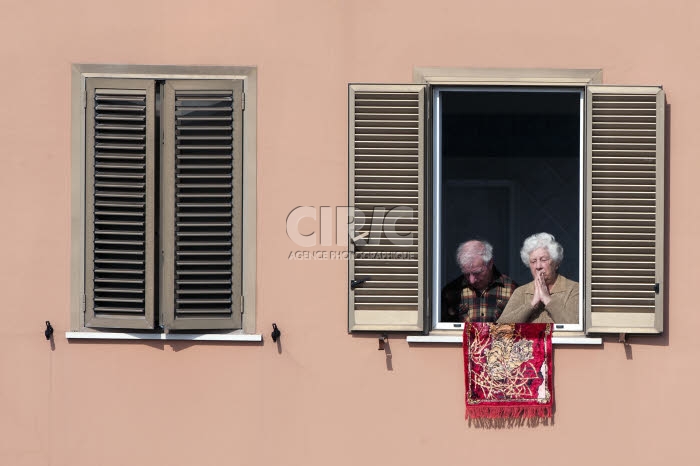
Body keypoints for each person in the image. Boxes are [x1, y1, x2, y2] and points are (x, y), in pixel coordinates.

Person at [497, 232, 578, 324]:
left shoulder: (573, 289)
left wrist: (547, 300)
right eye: (533, 261)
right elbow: (501, 327)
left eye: (543, 260)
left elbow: (575, 325)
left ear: (556, 263)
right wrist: (532, 304)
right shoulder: (521, 292)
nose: (538, 266)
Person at [441, 240, 518, 323]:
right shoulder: (451, 292)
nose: (471, 280)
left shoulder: (512, 290)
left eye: (477, 273)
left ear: (490, 263)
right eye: (466, 273)